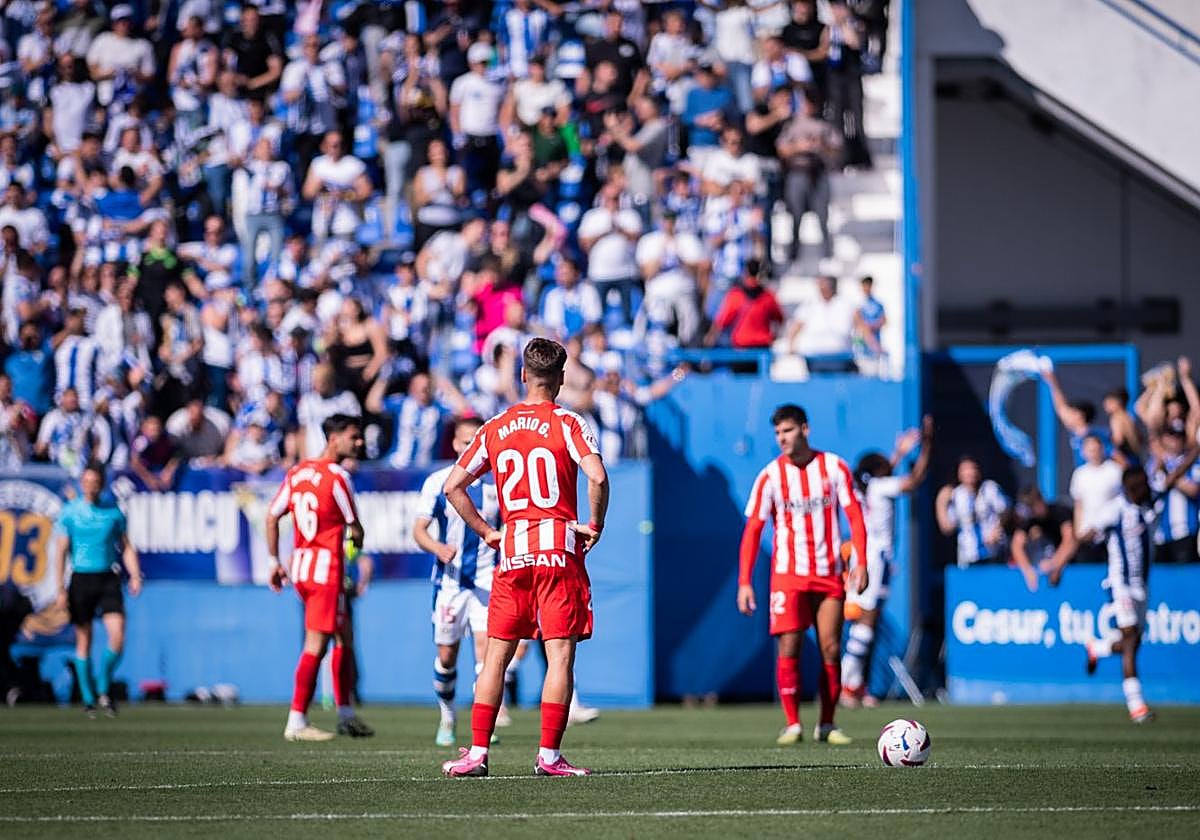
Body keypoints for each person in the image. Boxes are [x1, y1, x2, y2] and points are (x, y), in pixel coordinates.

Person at [440, 338, 608, 778]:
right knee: (560, 656)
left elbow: (453, 486)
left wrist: (487, 531)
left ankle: (477, 753)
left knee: (495, 655)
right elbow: (597, 476)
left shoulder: (496, 425)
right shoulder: (569, 422)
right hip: (557, 549)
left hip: (512, 550)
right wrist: (595, 523)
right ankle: (549, 757)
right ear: (562, 378)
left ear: (522, 376)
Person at [737, 403, 868, 745]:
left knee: (831, 646)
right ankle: (793, 723)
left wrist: (862, 562)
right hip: (788, 575)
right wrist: (745, 581)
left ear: (805, 429)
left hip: (828, 573)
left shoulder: (834, 467)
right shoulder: (770, 476)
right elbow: (753, 529)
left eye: (788, 430)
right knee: (790, 644)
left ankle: (827, 723)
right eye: (778, 433)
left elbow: (855, 516)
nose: (782, 438)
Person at [266, 413, 374, 741]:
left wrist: (274, 561)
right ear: (333, 438)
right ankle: (296, 720)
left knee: (344, 636)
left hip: (300, 566)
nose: (359, 443)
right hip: (326, 569)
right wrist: (355, 545)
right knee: (317, 643)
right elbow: (355, 527)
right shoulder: (338, 476)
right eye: (353, 437)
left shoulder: (298, 473)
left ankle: (346, 714)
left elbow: (272, 516)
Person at [1086, 449, 1200, 723]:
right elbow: (1086, 534)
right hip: (1120, 583)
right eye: (1138, 489)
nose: (1143, 492)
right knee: (1130, 639)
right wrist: (1060, 562)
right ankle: (1136, 706)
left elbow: (1174, 475)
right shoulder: (1115, 510)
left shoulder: (1151, 499)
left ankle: (1098, 648)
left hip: (1142, 585)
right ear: (1128, 489)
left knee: (1133, 642)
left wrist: (1195, 450)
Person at [414, 416, 502, 746]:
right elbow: (418, 530)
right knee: (447, 656)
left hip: (487, 581)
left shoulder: (497, 483)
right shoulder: (439, 481)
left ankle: (484, 725)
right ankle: (448, 718)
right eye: (466, 442)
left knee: (487, 655)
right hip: (450, 584)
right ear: (455, 444)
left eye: (476, 442)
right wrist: (438, 548)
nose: (471, 448)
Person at [842, 415, 933, 708]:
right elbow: (914, 480)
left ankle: (855, 684)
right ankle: (848, 682)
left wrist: (900, 453)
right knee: (867, 618)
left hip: (862, 555)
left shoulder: (866, 487)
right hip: (874, 557)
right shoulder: (881, 486)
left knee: (868, 619)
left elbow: (882, 476)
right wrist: (927, 444)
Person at [54, 462, 143, 717]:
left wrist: (135, 575)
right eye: (86, 482)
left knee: (118, 635)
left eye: (95, 482)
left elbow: (126, 546)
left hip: (108, 578)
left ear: (101, 484)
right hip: (81, 578)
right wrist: (60, 588)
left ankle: (104, 686)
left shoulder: (113, 511)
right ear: (81, 483)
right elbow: (61, 551)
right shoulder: (70, 512)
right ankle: (88, 697)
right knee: (84, 639)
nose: (90, 487)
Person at [935, 456, 1010, 567]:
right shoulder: (957, 495)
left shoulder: (989, 488)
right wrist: (940, 503)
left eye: (973, 468)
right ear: (959, 474)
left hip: (993, 553)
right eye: (965, 469)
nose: (970, 473)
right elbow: (947, 528)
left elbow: (1006, 510)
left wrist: (997, 529)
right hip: (968, 555)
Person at [1008, 487, 1077, 593]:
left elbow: (1071, 541)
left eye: (1032, 505)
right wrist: (1028, 570)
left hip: (1075, 562)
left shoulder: (1060, 512)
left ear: (1041, 501)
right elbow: (1016, 545)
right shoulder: (1030, 519)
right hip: (1048, 563)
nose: (1031, 510)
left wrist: (1055, 564)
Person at [1070, 433, 1125, 565]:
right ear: (1083, 452)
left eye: (1095, 449)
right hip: (1086, 536)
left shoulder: (1114, 470)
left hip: (1110, 535)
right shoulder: (1079, 474)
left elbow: (1121, 502)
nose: (1093, 453)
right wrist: (1078, 533)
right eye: (1089, 450)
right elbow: (1078, 505)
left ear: (1102, 449)